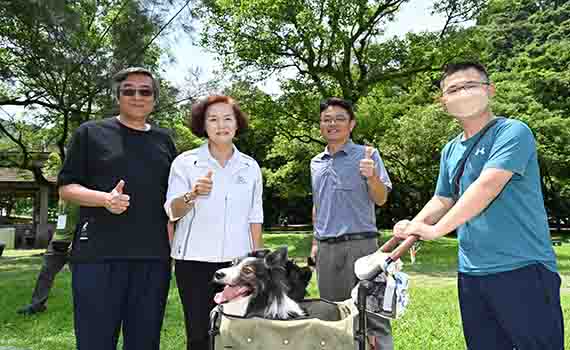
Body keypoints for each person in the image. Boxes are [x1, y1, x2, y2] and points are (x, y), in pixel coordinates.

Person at [393, 62, 564, 349]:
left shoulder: (512, 132)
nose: (463, 93)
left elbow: (487, 187)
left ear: (490, 90)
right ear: (443, 102)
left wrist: (436, 231)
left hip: (522, 267)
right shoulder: (450, 149)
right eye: (454, 89)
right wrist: (407, 233)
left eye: (471, 85)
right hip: (472, 273)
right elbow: (443, 199)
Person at [58, 67, 177, 350]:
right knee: (95, 342)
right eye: (129, 91)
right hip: (97, 258)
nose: (137, 96)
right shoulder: (91, 133)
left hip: (153, 260)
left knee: (145, 342)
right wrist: (104, 199)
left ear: (154, 99)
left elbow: (172, 201)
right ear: (118, 97)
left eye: (145, 91)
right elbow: (66, 187)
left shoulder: (164, 141)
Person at [164, 95, 263, 350]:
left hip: (237, 264)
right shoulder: (185, 163)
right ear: (203, 125)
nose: (222, 125)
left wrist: (258, 261)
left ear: (237, 124)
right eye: (213, 119)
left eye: (228, 118)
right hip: (194, 262)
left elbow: (255, 217)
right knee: (199, 334)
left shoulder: (250, 167)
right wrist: (193, 194)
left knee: (237, 333)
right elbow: (172, 211)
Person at [310, 97, 393, 350]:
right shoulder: (315, 162)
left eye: (339, 119)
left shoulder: (367, 155)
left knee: (373, 316)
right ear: (321, 125)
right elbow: (318, 204)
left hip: (362, 245)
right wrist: (315, 242)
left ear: (352, 124)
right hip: (327, 249)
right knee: (334, 317)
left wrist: (372, 177)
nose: (332, 123)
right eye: (327, 119)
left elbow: (381, 199)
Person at [17, 202, 79, 315]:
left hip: (75, 242)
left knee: (81, 276)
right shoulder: (63, 196)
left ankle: (87, 307)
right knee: (45, 273)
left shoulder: (81, 193)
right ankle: (36, 305)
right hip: (58, 240)